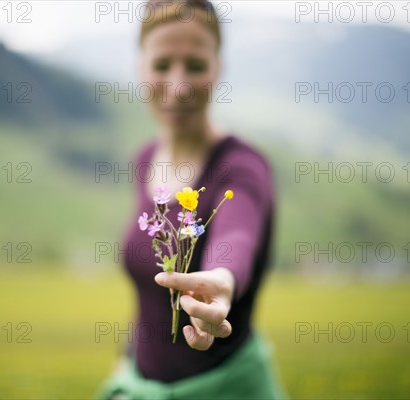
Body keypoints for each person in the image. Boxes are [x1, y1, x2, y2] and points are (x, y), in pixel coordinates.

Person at [96, 1, 286, 398]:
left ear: (219, 69)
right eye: (162, 65)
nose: (178, 85)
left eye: (195, 66)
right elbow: (149, 298)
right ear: (140, 68)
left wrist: (222, 281)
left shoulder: (241, 168)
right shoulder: (145, 160)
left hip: (227, 389)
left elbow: (237, 237)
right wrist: (126, 363)